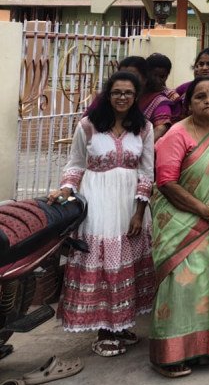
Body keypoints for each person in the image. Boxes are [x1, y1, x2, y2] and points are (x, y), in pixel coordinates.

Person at [49, 70, 155, 357]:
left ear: (136, 97)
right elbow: (75, 165)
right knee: (104, 262)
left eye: (128, 93)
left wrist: (139, 212)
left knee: (127, 264)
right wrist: (66, 190)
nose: (122, 97)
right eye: (116, 92)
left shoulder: (144, 128)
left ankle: (121, 325)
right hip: (98, 203)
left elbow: (147, 172)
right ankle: (105, 330)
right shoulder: (88, 126)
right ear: (108, 95)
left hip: (130, 205)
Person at [149, 76, 209, 378]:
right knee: (183, 284)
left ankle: (206, 347)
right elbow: (166, 182)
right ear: (188, 104)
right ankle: (169, 355)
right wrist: (204, 211)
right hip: (180, 218)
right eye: (200, 96)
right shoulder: (177, 134)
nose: (208, 100)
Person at [141, 53, 180, 140]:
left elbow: (161, 128)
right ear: (146, 74)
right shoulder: (137, 93)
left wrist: (145, 145)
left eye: (162, 77)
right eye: (154, 75)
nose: (157, 80)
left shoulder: (169, 98)